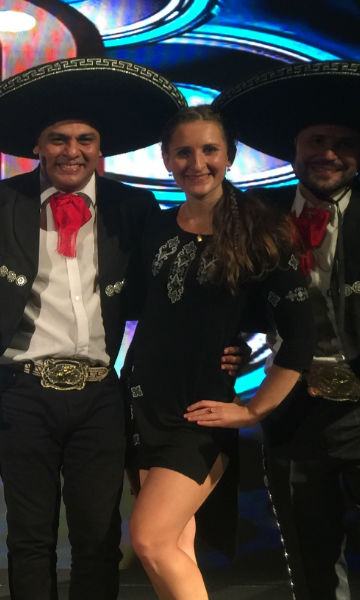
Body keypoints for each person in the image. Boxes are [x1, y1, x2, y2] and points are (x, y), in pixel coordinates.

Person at [0, 58, 190, 600]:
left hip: (99, 394)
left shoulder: (132, 206)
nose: (72, 151)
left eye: (85, 140)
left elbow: (167, 292)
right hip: (24, 391)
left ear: (99, 146)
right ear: (37, 147)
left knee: (98, 537)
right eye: (58, 139)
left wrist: (222, 343)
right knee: (30, 537)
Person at [124, 105, 314, 599]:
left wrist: (253, 409)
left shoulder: (261, 231)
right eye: (183, 152)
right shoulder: (155, 227)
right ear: (166, 158)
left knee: (150, 539)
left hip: (198, 414)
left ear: (229, 155)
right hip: (143, 403)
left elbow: (301, 334)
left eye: (209, 150)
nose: (197, 163)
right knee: (174, 546)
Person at [215, 60, 360, 600]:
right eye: (317, 141)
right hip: (293, 404)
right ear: (293, 148)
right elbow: (235, 297)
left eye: (344, 143)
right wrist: (231, 343)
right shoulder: (259, 214)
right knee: (309, 551)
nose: (330, 154)